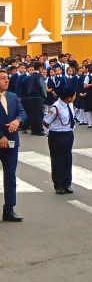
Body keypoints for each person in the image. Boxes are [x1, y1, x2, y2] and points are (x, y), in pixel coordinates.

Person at [0, 68, 27, 221]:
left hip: (12, 143)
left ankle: (9, 209)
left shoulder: (12, 96)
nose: (6, 80)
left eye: (7, 78)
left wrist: (18, 120)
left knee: (10, 176)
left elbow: (22, 113)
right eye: (2, 78)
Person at [43, 84, 77, 194]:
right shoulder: (55, 107)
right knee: (57, 160)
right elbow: (46, 121)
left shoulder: (69, 105)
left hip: (68, 134)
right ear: (69, 97)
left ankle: (67, 183)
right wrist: (55, 128)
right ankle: (58, 184)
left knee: (67, 159)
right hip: (56, 136)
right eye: (74, 96)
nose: (75, 98)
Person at [22, 61, 47, 136]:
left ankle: (33, 130)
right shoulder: (39, 76)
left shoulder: (30, 77)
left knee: (32, 114)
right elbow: (43, 87)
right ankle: (39, 130)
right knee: (39, 114)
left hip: (29, 98)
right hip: (38, 97)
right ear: (40, 68)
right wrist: (45, 95)